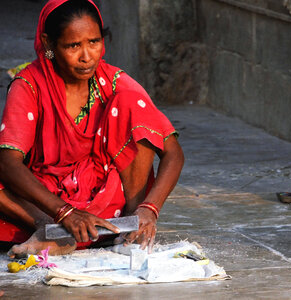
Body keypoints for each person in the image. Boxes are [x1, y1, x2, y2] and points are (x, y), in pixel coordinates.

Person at [0, 0, 184, 258]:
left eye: (94, 42)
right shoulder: (29, 85)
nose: (87, 56)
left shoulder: (113, 80)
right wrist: (63, 213)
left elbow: (173, 152)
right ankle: (50, 229)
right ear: (49, 44)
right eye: (73, 46)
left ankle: (128, 230)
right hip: (44, 202)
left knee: (132, 104)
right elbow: (8, 164)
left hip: (106, 200)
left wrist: (149, 209)